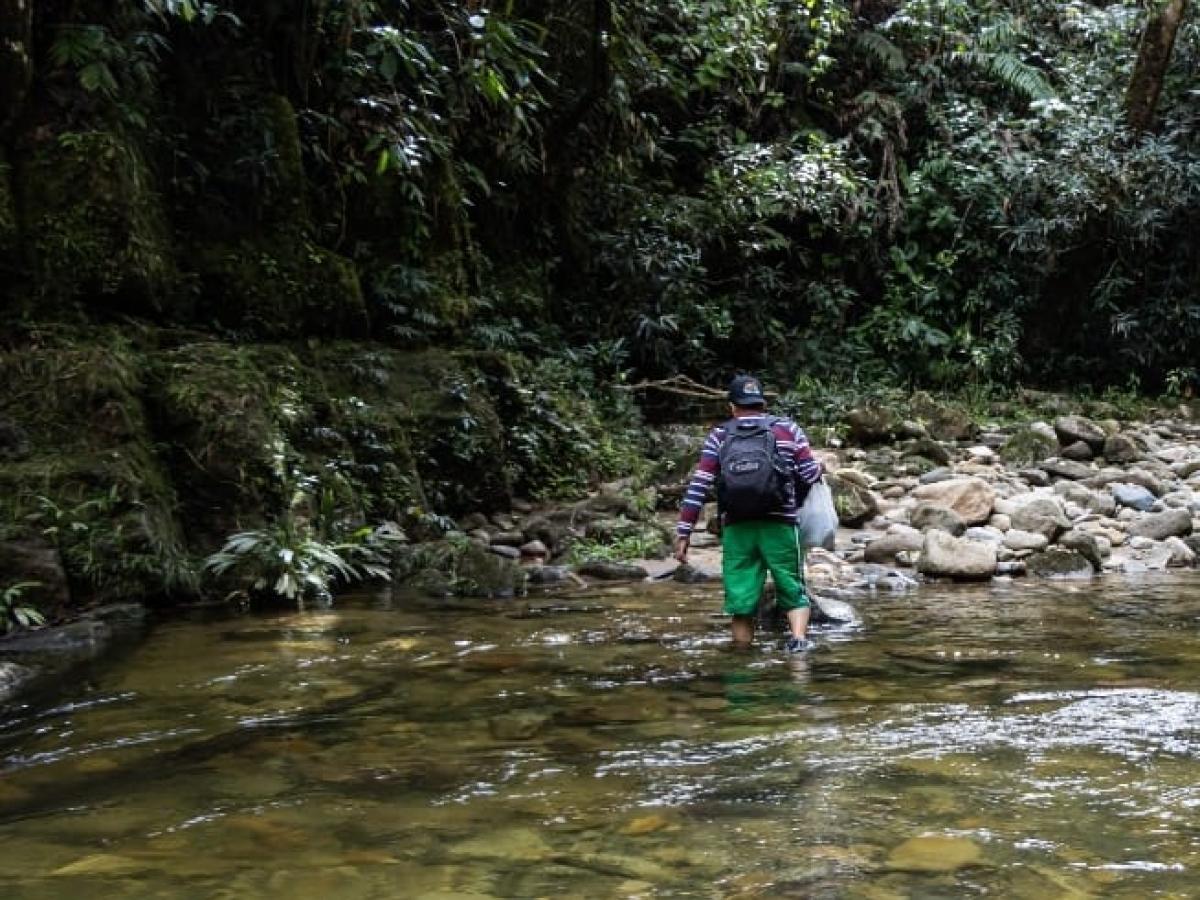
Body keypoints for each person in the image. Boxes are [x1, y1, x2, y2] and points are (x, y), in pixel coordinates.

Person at [673, 374, 823, 653]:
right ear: (762, 403)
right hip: (780, 524)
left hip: (737, 527)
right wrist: (819, 470)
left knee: (741, 602)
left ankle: (741, 661)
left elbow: (700, 485)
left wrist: (684, 532)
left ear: (732, 407)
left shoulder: (719, 435)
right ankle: (799, 645)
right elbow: (809, 473)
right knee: (792, 587)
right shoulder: (788, 430)